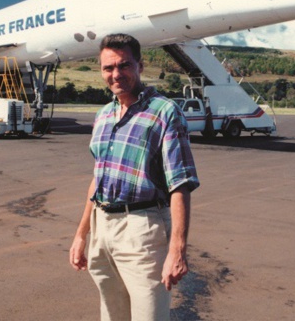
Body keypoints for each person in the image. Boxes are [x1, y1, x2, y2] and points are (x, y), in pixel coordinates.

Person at [69, 33, 199, 321]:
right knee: (112, 315)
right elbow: (98, 177)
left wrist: (177, 250)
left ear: (140, 66)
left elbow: (180, 184)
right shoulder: (103, 115)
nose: (116, 74)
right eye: (108, 68)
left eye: (124, 65)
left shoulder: (164, 112)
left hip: (142, 229)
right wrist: (82, 235)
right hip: (101, 227)